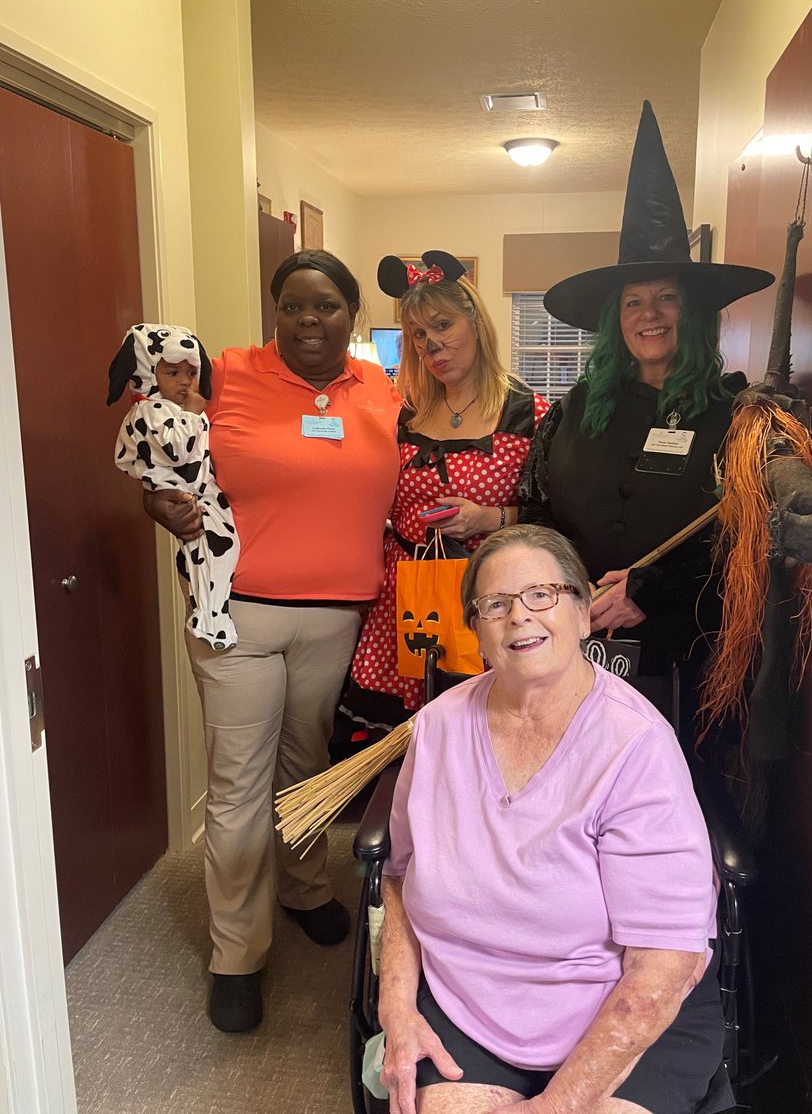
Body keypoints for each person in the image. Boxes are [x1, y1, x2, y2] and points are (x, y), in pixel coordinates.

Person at [378, 524, 733, 1114]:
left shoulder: (635, 744)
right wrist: (397, 1009)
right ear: (478, 631)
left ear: (585, 611)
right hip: (472, 1002)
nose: (520, 616)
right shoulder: (438, 728)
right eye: (495, 603)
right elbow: (398, 875)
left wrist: (551, 1107)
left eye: (543, 594)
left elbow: (663, 966)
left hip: (625, 1014)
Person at [143, 250, 402, 1032]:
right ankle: (236, 952)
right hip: (238, 616)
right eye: (292, 305)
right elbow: (160, 449)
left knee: (307, 766)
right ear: (274, 312)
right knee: (239, 784)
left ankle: (303, 888)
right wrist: (159, 501)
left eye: (326, 305)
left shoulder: (381, 389)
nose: (309, 319)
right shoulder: (225, 374)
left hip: (336, 617)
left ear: (350, 314)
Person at [518, 102, 774, 718]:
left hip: (680, 655)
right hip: (570, 639)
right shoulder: (573, 411)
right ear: (615, 320)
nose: (649, 315)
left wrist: (651, 593)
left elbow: (742, 545)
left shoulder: (731, 417)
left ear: (693, 312)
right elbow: (537, 513)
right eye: (633, 302)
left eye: (666, 298)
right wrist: (561, 593)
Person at [344, 251, 549, 728]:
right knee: (402, 748)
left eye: (442, 325)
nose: (431, 344)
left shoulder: (528, 413)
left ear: (475, 322)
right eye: (418, 333)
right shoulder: (405, 415)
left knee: (484, 733)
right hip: (405, 599)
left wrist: (489, 518)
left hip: (489, 599)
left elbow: (553, 517)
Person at [107, 323, 239, 651]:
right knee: (203, 552)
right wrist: (193, 415)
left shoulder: (167, 409)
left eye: (191, 372)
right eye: (172, 372)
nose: (184, 382)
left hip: (203, 493)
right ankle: (207, 618)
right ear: (149, 372)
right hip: (190, 497)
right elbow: (176, 451)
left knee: (222, 551)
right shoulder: (151, 411)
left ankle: (212, 615)